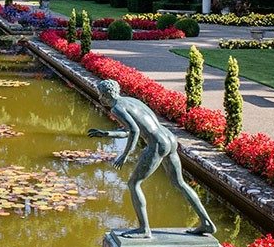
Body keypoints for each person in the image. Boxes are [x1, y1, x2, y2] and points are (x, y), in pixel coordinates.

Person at [88, 79, 216, 238]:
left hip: (157, 144)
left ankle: (144, 229)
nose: (100, 97)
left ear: (106, 94)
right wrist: (107, 133)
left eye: (100, 94)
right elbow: (132, 129)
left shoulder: (116, 108)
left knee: (134, 184)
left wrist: (125, 155)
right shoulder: (130, 101)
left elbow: (134, 131)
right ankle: (206, 223)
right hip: (169, 138)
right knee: (180, 183)